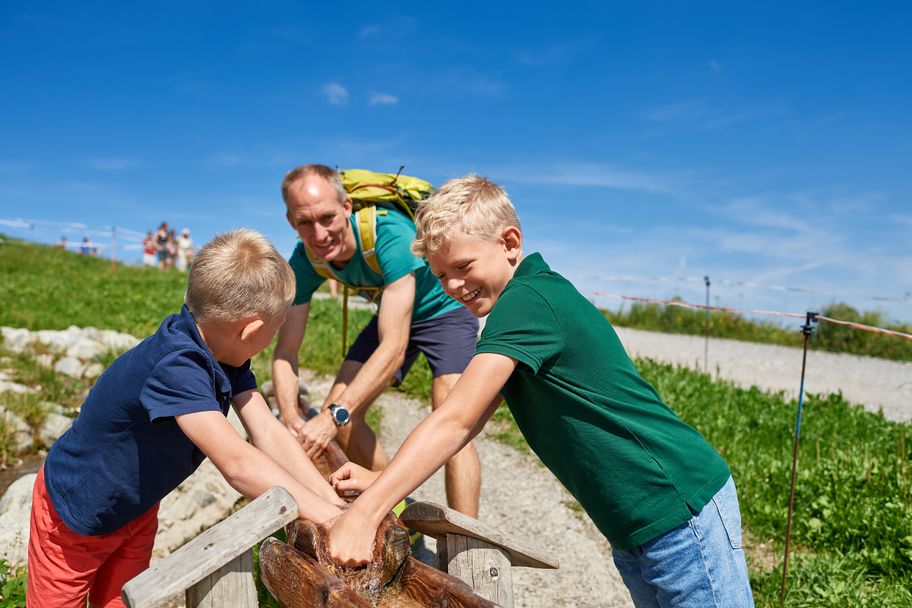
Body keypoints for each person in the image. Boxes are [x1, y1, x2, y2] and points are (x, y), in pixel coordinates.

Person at [327, 176, 754, 607]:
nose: (453, 285)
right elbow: (468, 418)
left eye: (463, 266)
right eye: (440, 275)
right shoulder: (519, 308)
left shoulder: (528, 301)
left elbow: (453, 421)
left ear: (510, 242)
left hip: (678, 511)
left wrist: (369, 511)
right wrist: (385, 480)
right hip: (639, 525)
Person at [27, 229, 346, 608]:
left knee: (120, 599)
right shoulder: (175, 365)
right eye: (275, 331)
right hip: (76, 514)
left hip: (137, 508)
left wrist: (331, 504)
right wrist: (327, 519)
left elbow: (268, 433)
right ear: (252, 329)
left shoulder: (227, 353)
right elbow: (237, 463)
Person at [272, 164, 481, 517]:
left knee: (452, 420)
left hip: (442, 309)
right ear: (291, 221)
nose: (320, 234)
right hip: (393, 315)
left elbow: (394, 349)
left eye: (327, 218)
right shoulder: (304, 260)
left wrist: (333, 415)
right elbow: (285, 351)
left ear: (347, 207)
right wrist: (290, 418)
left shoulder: (389, 233)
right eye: (305, 223)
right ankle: (395, 515)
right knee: (343, 421)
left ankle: (467, 546)